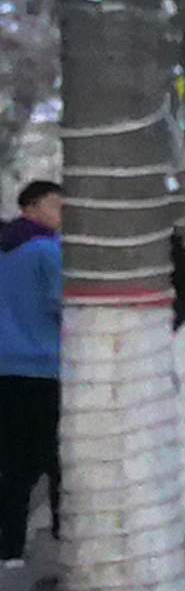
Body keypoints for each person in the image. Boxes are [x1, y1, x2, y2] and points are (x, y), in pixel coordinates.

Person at [0, 180, 60, 567]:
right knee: (59, 457)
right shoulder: (48, 251)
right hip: (44, 367)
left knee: (12, 463)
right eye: (57, 205)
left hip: (4, 368)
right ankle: (67, 531)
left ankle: (10, 548)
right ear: (34, 206)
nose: (62, 214)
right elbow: (62, 305)